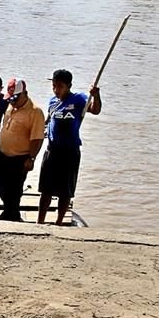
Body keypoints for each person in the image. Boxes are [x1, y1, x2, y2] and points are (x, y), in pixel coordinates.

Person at [37, 69, 102, 225]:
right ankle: (40, 222)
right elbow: (48, 121)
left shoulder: (79, 100)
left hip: (70, 152)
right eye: (54, 86)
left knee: (65, 191)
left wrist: (95, 94)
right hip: (52, 151)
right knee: (45, 189)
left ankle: (59, 222)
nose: (56, 90)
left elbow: (95, 109)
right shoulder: (53, 102)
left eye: (60, 86)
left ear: (69, 86)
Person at [0, 78, 45, 221]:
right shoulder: (10, 106)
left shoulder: (35, 112)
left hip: (20, 157)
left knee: (14, 190)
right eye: (10, 98)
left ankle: (12, 215)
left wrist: (32, 158)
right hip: (3, 154)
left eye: (15, 98)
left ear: (25, 93)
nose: (12, 101)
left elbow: (37, 138)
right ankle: (9, 211)